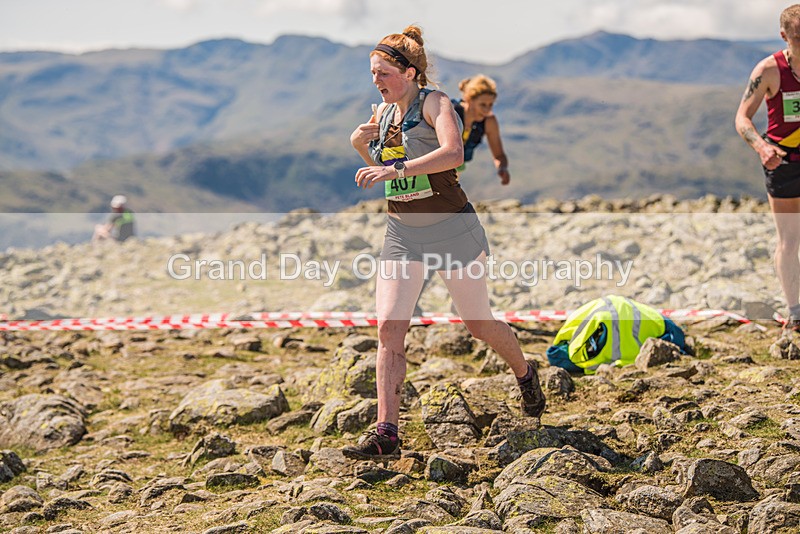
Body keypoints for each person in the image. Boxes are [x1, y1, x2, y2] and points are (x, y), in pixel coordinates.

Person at [343, 25, 546, 461]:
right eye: (372, 74)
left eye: (383, 73)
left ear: (411, 73)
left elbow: (452, 154)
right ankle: (387, 433)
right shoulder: (381, 114)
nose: (376, 81)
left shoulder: (435, 104)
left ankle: (525, 373)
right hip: (402, 233)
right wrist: (364, 148)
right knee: (388, 329)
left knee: (476, 323)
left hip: (452, 228)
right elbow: (387, 169)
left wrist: (395, 171)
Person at [735, 4, 800, 332]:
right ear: (784, 37)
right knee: (789, 240)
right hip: (784, 163)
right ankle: (797, 313)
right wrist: (761, 147)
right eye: (799, 39)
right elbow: (742, 117)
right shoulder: (769, 71)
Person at [452, 74, 511, 185]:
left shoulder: (489, 121)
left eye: (491, 105)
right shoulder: (451, 112)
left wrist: (502, 169)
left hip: (456, 168)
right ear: (469, 100)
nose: (487, 110)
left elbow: (499, 155)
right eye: (482, 104)